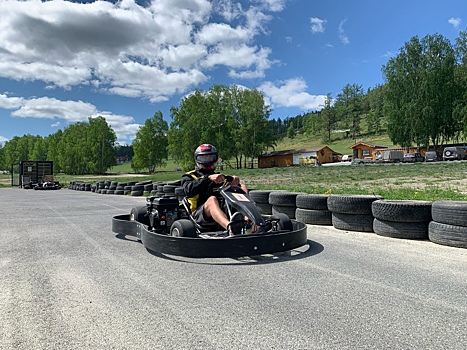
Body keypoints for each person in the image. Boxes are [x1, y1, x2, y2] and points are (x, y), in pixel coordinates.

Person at [181, 144, 248, 236]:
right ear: (197, 159)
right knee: (212, 199)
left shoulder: (220, 176)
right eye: (204, 158)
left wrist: (234, 183)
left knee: (243, 187)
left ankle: (248, 221)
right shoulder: (190, 176)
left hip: (223, 208)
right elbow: (188, 190)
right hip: (200, 213)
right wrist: (208, 179)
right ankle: (230, 228)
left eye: (210, 157)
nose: (208, 161)